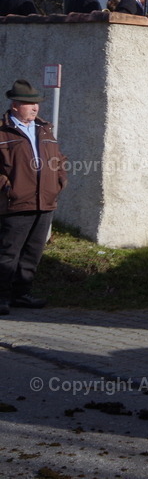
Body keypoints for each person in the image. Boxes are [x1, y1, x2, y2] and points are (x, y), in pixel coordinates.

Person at [0, 80, 68, 315]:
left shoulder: (44, 129)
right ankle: (2, 297)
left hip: (45, 202)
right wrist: (8, 187)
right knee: (8, 252)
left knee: (32, 252)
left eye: (37, 103)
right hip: (16, 202)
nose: (35, 108)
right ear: (15, 105)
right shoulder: (3, 130)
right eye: (29, 104)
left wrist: (59, 182)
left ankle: (22, 294)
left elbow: (59, 159)